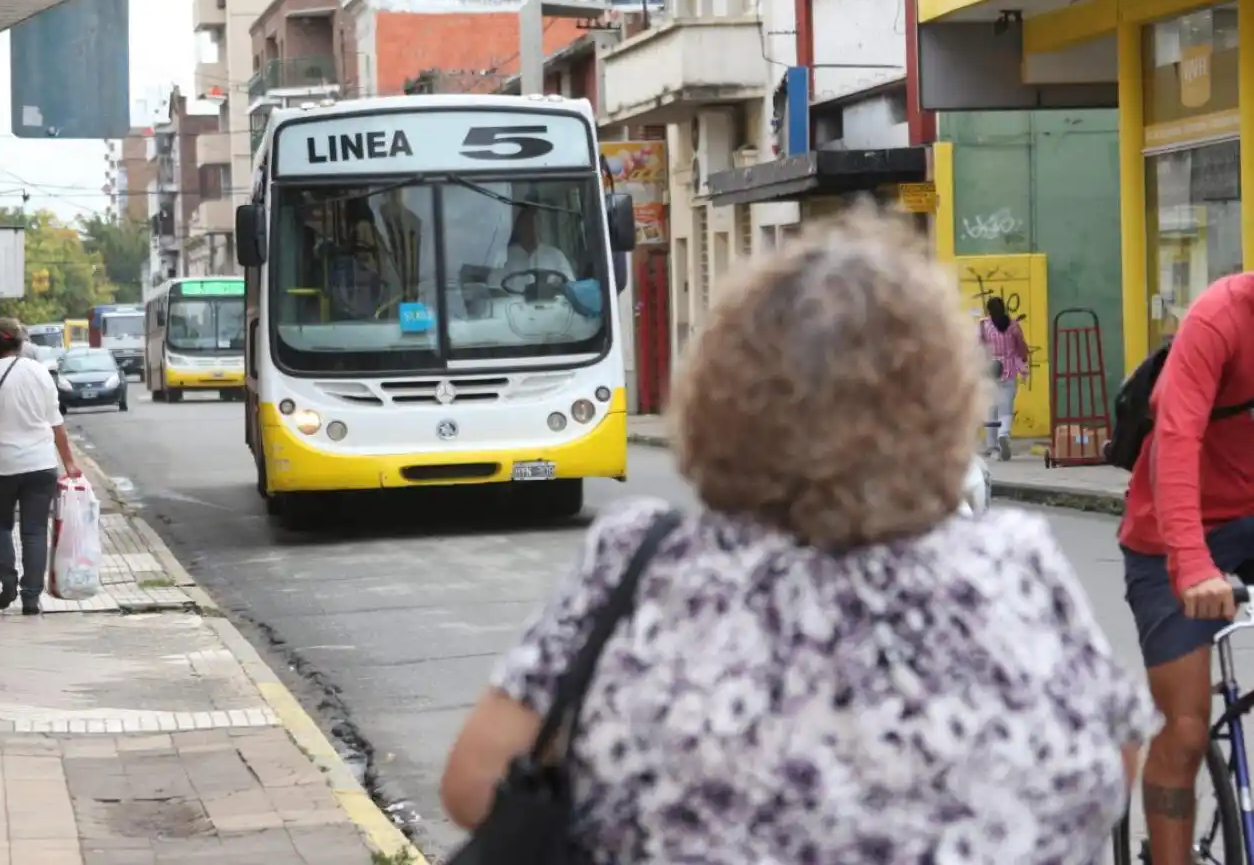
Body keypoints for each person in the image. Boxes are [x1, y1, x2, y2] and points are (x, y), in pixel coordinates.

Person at [440, 203, 1154, 863]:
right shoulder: (1018, 565)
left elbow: (474, 785)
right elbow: (1114, 765)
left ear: (720, 396)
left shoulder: (639, 563)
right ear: (943, 402)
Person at [1119, 271, 1254, 865]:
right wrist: (1193, 563)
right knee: (1187, 726)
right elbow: (1175, 437)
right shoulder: (1220, 317)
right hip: (1173, 532)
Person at [0, 318, 81, 616]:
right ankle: (31, 597)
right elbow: (56, 424)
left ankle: (7, 582)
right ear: (21, 343)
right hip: (41, 464)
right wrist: (69, 462)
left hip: (1, 465)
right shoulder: (40, 372)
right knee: (35, 530)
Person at [978, 296, 1028, 461]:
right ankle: (1004, 433)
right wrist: (1023, 364)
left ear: (989, 311)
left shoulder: (984, 326)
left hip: (991, 370)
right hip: (1010, 369)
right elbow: (1021, 348)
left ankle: (992, 446)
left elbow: (978, 346)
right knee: (1006, 406)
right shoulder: (1013, 326)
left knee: (991, 408)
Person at [501, 205, 575, 287]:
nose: (531, 227)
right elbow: (495, 288)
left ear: (540, 226)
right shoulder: (505, 256)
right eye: (527, 223)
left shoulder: (556, 255)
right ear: (519, 226)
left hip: (548, 300)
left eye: (535, 223)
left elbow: (571, 286)